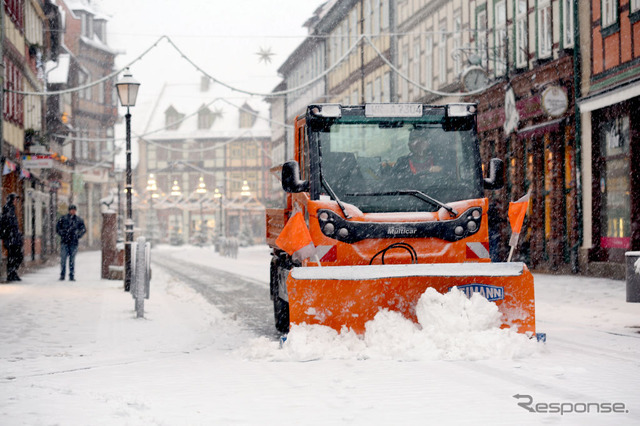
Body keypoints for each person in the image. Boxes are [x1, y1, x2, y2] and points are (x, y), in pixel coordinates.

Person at [56, 204, 86, 281]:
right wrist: (63, 233)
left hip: (73, 242)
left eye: (74, 210)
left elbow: (83, 229)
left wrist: (77, 235)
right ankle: (62, 275)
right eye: (72, 210)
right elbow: (58, 228)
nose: (73, 211)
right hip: (65, 242)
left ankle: (71, 275)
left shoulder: (78, 220)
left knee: (72, 260)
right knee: (63, 260)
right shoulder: (63, 219)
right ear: (69, 210)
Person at [0, 193, 24, 282]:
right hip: (10, 238)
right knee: (13, 256)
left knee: (16, 256)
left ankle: (13, 272)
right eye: (14, 199)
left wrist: (17, 234)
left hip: (14, 237)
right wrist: (9, 234)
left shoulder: (12, 209)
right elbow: (7, 224)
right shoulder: (7, 209)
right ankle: (11, 273)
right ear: (11, 200)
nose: (15, 201)